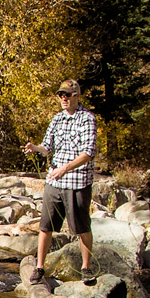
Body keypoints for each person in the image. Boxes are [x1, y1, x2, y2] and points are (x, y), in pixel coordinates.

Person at [22, 79, 96, 280]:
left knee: (81, 228)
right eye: (61, 95)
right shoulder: (56, 119)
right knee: (45, 227)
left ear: (77, 96)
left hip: (77, 182)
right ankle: (39, 267)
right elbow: (47, 148)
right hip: (55, 181)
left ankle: (86, 269)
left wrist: (65, 168)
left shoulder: (87, 119)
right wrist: (35, 148)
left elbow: (88, 153)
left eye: (68, 95)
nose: (64, 98)